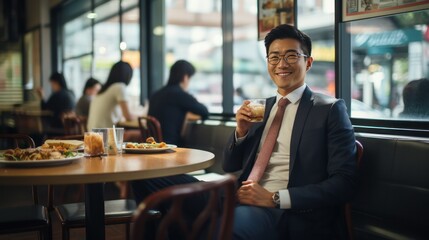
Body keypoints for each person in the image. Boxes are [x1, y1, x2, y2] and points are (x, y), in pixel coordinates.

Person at [131, 24, 358, 240]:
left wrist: (274, 198)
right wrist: (240, 132)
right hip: (234, 193)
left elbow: (344, 183)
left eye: (291, 56)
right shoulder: (262, 107)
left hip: (279, 209)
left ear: (308, 63)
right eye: (274, 56)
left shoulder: (328, 109)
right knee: (146, 177)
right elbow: (230, 165)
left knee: (226, 230)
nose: (282, 64)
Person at [148, 59, 209, 146]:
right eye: (190, 78)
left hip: (151, 145)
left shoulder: (156, 94)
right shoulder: (180, 95)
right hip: (171, 146)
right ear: (185, 77)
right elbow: (204, 112)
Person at [87, 61, 137, 131]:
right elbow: (128, 116)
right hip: (105, 136)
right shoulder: (119, 87)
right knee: (138, 134)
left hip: (92, 134)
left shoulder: (102, 90)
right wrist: (138, 117)